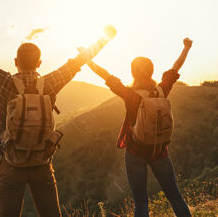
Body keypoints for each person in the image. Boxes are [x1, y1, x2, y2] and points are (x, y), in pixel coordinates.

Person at [0, 20, 115, 217]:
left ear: (15, 62)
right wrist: (105, 38)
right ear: (39, 63)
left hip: (12, 165)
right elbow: (78, 61)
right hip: (42, 164)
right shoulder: (50, 83)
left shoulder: (4, 82)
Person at [78, 38, 193, 217]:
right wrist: (186, 48)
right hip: (160, 151)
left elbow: (105, 75)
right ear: (152, 71)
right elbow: (175, 68)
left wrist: (88, 60)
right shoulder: (161, 90)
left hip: (135, 152)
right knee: (175, 196)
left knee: (141, 202)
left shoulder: (130, 95)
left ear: (132, 72)